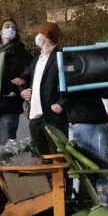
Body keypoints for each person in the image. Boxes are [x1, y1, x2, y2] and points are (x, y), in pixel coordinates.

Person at [16, 22, 66, 155]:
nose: (37, 36)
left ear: (46, 36)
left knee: (57, 159)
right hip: (34, 119)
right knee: (42, 159)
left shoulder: (60, 57)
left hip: (52, 118)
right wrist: (23, 91)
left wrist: (62, 103)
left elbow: (69, 82)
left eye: (40, 33)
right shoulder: (36, 60)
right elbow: (23, 78)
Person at [0, 20, 33, 146]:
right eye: (7, 26)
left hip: (10, 104)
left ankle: (6, 165)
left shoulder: (23, 55)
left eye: (13, 28)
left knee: (7, 145)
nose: (10, 29)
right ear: (0, 32)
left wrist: (21, 84)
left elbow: (30, 74)